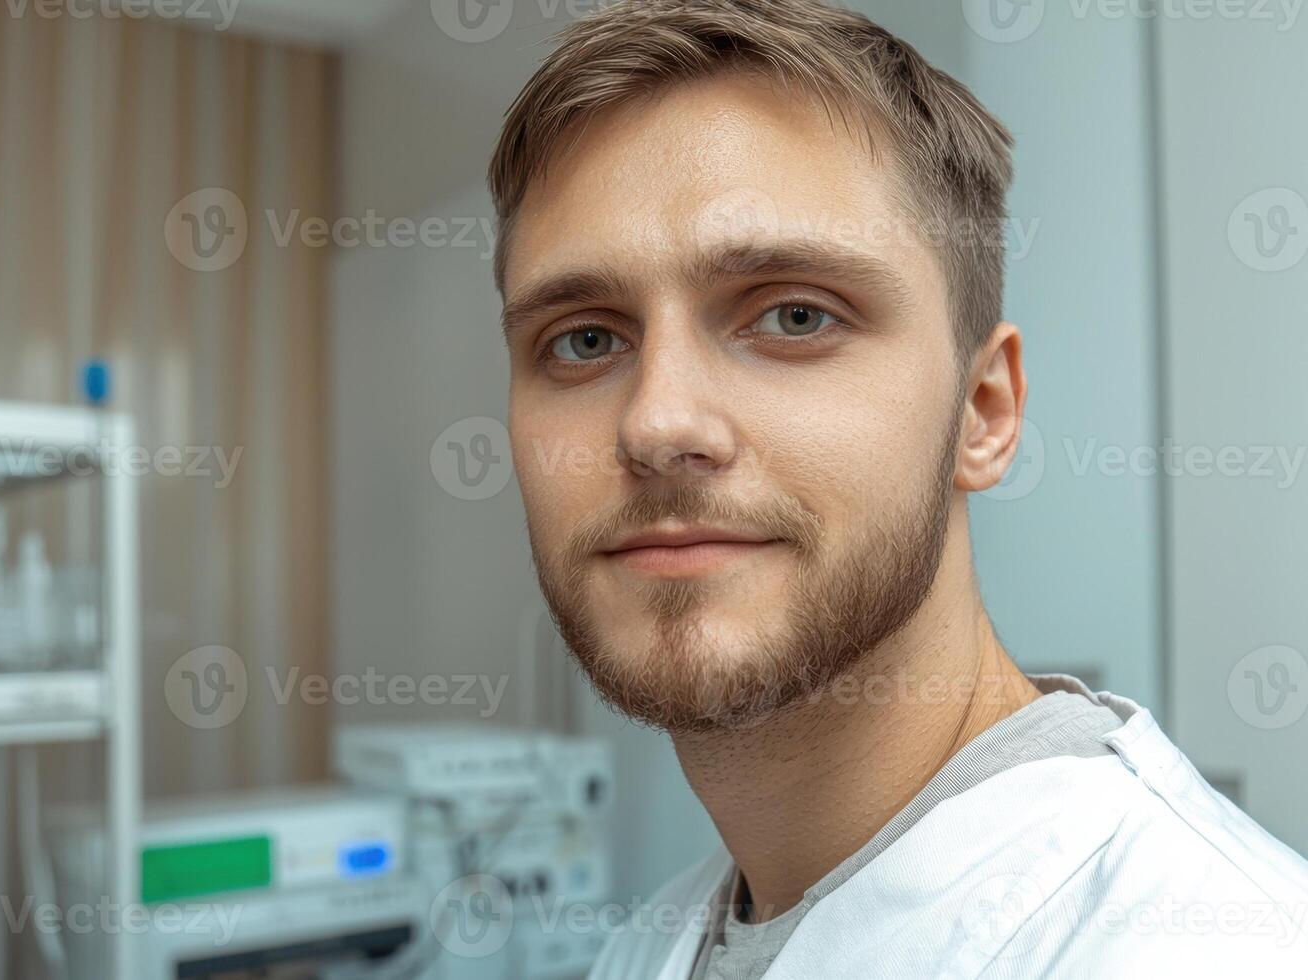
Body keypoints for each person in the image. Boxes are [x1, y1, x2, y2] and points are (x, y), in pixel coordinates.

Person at [484, 1, 1308, 976]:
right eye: (583, 338)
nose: (657, 423)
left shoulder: (1214, 945)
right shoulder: (654, 941)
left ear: (982, 413)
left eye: (793, 315)